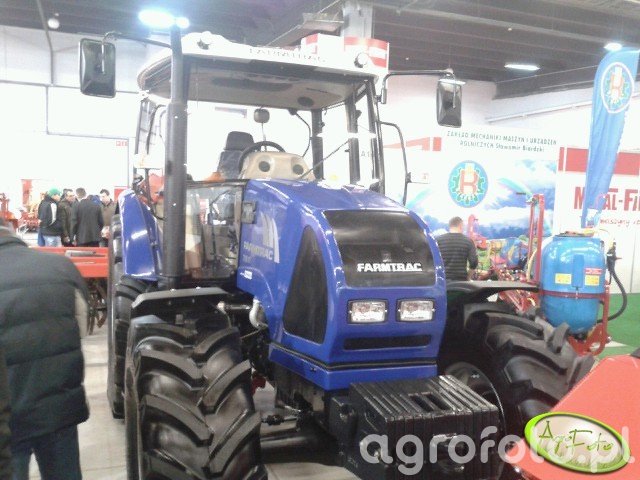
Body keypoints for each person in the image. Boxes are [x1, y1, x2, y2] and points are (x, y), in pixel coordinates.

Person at [0, 217, 89, 480]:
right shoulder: (61, 266)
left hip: (9, 420)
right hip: (58, 409)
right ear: (12, 232)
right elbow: (81, 329)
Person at [436, 216, 478, 281]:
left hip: (442, 281)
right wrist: (468, 277)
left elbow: (431, 260)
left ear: (450, 226)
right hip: (460, 281)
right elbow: (474, 262)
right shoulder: (468, 241)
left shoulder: (438, 240)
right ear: (461, 226)